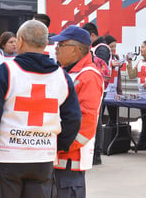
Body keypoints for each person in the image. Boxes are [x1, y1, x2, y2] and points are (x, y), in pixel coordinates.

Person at [0, 20, 82, 198]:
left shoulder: (6, 71)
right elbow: (73, 119)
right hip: (43, 159)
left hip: (7, 158)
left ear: (20, 41)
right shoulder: (61, 77)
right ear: (45, 44)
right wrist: (56, 145)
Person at [51, 25, 104, 198]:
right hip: (61, 158)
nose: (56, 49)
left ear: (75, 50)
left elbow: (86, 123)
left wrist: (61, 147)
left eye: (60, 45)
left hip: (69, 160)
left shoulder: (88, 76)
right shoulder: (68, 72)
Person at [82, 22, 111, 165]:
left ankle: (97, 153)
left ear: (92, 35)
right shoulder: (95, 47)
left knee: (96, 120)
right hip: (94, 86)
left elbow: (100, 67)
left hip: (98, 87)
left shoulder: (102, 48)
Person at [103, 34, 124, 124]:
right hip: (104, 91)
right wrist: (110, 65)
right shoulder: (102, 57)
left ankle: (112, 136)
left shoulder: (116, 57)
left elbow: (118, 73)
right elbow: (101, 68)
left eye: (114, 46)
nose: (113, 48)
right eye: (111, 46)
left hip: (114, 92)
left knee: (113, 118)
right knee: (99, 116)